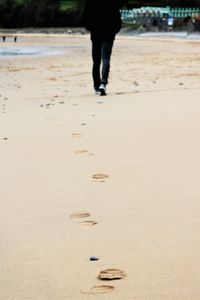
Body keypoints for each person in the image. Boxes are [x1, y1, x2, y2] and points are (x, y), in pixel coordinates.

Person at [82, 0, 122, 96]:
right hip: (108, 33)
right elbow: (118, 19)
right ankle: (103, 84)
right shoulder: (112, 2)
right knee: (106, 58)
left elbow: (85, 18)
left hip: (96, 33)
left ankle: (96, 86)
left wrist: (91, 28)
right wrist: (114, 31)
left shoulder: (91, 2)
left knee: (96, 61)